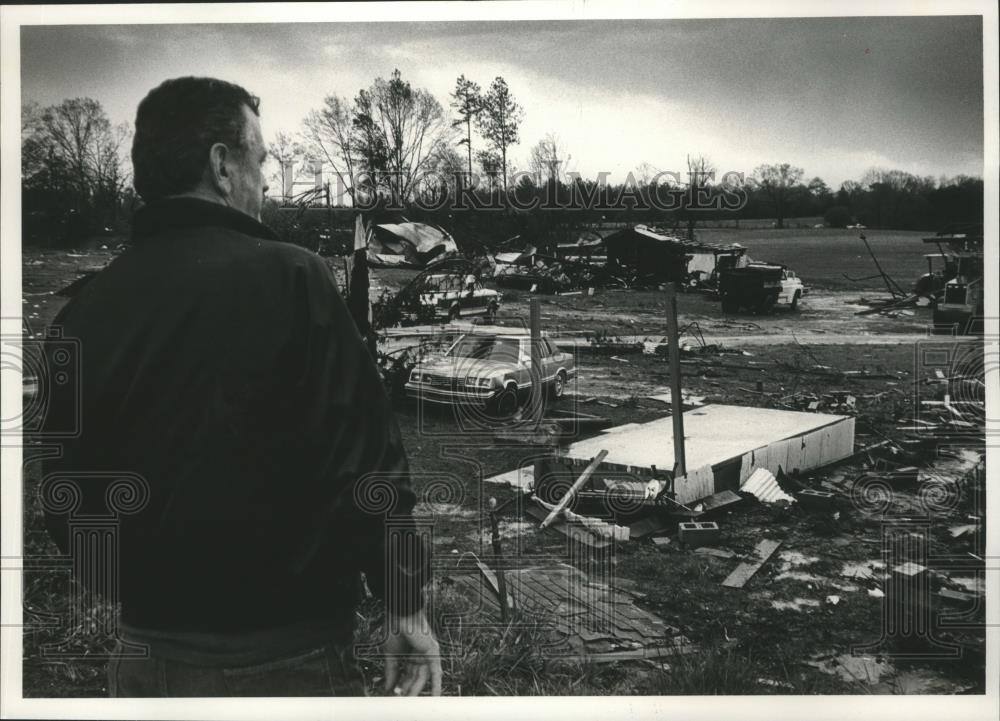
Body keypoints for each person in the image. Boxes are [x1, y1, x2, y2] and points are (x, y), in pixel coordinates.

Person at [41, 76, 440, 697]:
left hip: (144, 662)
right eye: (260, 161)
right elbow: (367, 464)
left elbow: (65, 502)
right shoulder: (293, 281)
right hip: (288, 661)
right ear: (222, 166)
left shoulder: (81, 313)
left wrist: (151, 597)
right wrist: (405, 606)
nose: (264, 182)